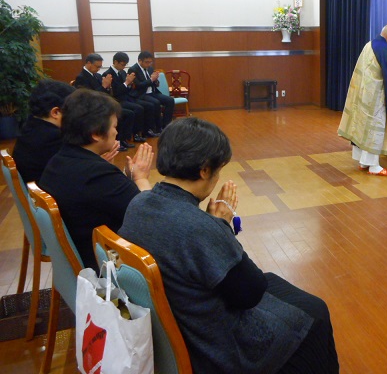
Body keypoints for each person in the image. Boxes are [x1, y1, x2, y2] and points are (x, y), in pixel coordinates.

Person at [119, 118, 339, 374]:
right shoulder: (200, 228)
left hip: (176, 319)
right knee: (316, 312)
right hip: (216, 346)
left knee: (278, 284)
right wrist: (221, 225)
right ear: (204, 170)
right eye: (218, 169)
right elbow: (250, 294)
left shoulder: (138, 203)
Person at [38, 89, 154, 271]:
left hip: (79, 258)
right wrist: (141, 178)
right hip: (106, 267)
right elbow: (150, 216)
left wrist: (126, 179)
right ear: (96, 133)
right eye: (114, 126)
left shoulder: (59, 160)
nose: (116, 132)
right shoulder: (97, 174)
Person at [337, 24, 387, 176]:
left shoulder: (370, 44)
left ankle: (363, 162)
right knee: (374, 130)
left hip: (364, 94)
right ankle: (374, 166)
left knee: (363, 128)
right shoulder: (385, 49)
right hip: (376, 98)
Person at [12, 79, 75, 183]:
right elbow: (75, 175)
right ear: (56, 112)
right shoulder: (53, 138)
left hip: (35, 190)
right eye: (73, 110)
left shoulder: (30, 125)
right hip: (49, 194)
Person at [75, 53, 136, 151]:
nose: (99, 69)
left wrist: (107, 87)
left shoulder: (98, 75)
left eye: (100, 67)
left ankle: (123, 139)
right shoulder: (81, 77)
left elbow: (106, 92)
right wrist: (104, 86)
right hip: (92, 108)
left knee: (128, 113)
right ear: (89, 63)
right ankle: (117, 141)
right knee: (124, 114)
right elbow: (88, 96)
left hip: (103, 104)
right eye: (97, 66)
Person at [103, 51, 160, 140]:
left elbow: (127, 89)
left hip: (127, 97)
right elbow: (116, 92)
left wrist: (129, 84)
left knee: (146, 106)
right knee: (138, 109)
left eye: (125, 64)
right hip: (117, 100)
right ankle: (133, 135)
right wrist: (127, 83)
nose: (124, 67)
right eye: (122, 64)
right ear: (115, 62)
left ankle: (144, 131)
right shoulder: (108, 74)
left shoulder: (121, 72)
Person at [128, 51, 174, 131]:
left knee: (170, 100)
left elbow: (155, 83)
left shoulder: (150, 68)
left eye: (150, 62)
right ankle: (157, 127)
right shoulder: (133, 69)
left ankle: (166, 125)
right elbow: (138, 85)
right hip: (141, 94)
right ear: (140, 60)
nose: (148, 64)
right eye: (146, 62)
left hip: (153, 92)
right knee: (156, 102)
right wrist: (151, 79)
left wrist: (155, 80)